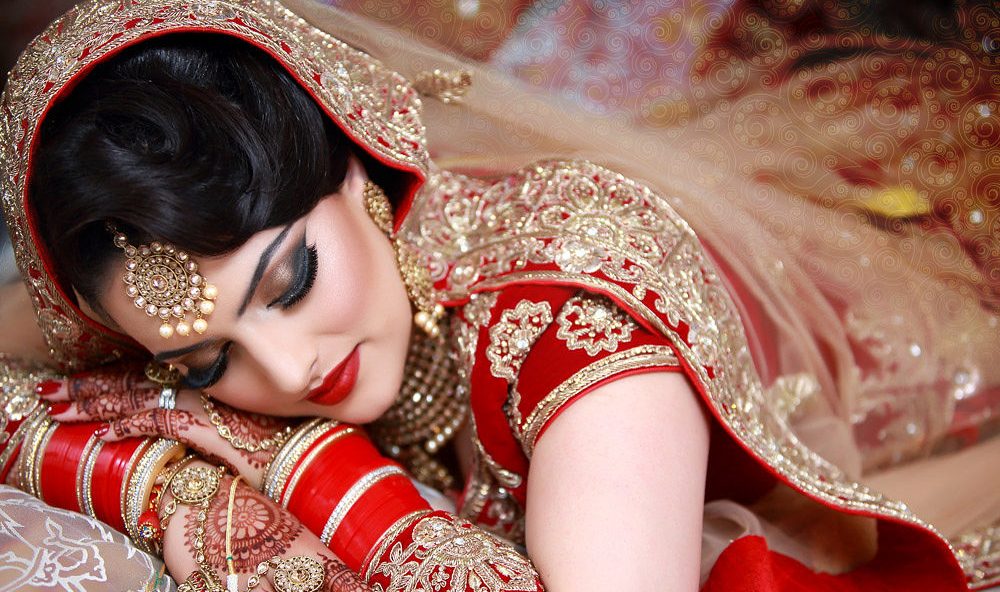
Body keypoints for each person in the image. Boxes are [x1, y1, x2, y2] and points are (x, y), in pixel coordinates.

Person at [1, 0, 998, 590]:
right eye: (208, 360)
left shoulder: (578, 332)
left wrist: (300, 464)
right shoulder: (270, 310)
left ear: (362, 167)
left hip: (889, 364)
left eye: (292, 282)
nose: (291, 367)